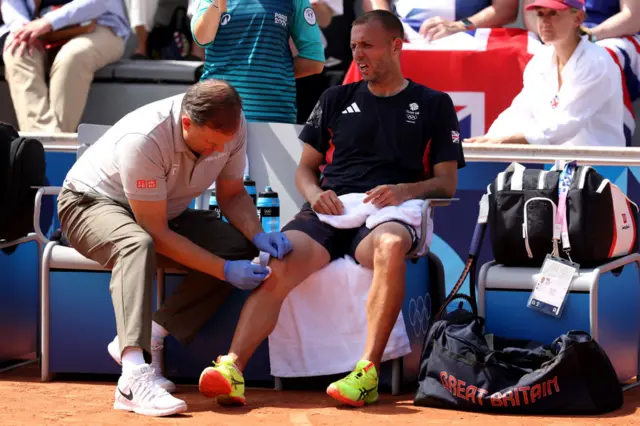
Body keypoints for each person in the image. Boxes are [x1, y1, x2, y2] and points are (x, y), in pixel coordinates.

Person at [195, 10, 465, 408]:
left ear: (396, 46)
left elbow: (446, 183)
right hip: (331, 207)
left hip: (388, 210)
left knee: (391, 246)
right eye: (354, 46)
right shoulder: (336, 96)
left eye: (367, 46)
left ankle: (367, 372)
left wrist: (405, 190)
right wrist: (315, 191)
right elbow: (305, 169)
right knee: (280, 257)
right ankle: (232, 368)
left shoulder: (433, 103)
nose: (358, 54)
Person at [57, 80, 293, 417]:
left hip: (162, 211)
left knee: (234, 245)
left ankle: (152, 333)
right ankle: (132, 376)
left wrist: (257, 236)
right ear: (186, 123)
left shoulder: (233, 127)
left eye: (222, 144)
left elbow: (231, 195)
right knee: (135, 245)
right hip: (88, 206)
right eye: (210, 142)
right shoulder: (144, 139)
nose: (216, 151)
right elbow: (154, 233)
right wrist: (224, 271)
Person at [466, 0, 624, 146]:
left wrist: (502, 141)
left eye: (553, 13)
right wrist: (489, 139)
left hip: (604, 171)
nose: (544, 22)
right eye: (540, 14)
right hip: (560, 167)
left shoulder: (596, 62)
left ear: (577, 18)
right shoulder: (540, 61)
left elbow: (565, 124)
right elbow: (521, 111)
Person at [1, 0, 128, 133]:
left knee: (73, 56)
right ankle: (50, 142)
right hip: (40, 30)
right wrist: (23, 29)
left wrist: (49, 22)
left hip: (99, 25)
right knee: (16, 50)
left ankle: (47, 144)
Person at [191, 0, 325, 124]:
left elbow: (314, 60)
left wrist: (272, 71)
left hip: (274, 113)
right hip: (217, 110)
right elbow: (202, 39)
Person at [365, 0, 518, 42]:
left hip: (470, 43)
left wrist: (460, 26)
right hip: (403, 43)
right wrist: (387, 24)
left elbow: (506, 9)